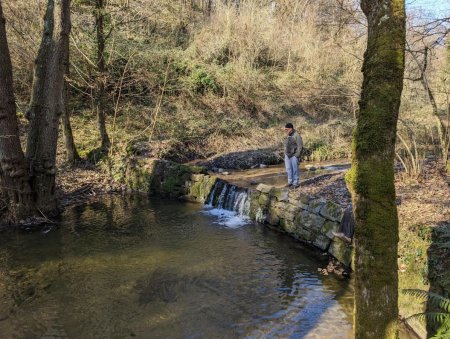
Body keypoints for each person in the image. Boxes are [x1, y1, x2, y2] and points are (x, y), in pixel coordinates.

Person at [283, 123, 303, 188]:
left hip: (294, 156)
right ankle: (290, 182)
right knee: (288, 169)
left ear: (291, 129)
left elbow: (300, 147)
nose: (285, 131)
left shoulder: (297, 135)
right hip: (287, 155)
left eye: (287, 129)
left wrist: (296, 155)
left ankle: (295, 183)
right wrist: (285, 153)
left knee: (295, 170)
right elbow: (285, 144)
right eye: (285, 129)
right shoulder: (287, 135)